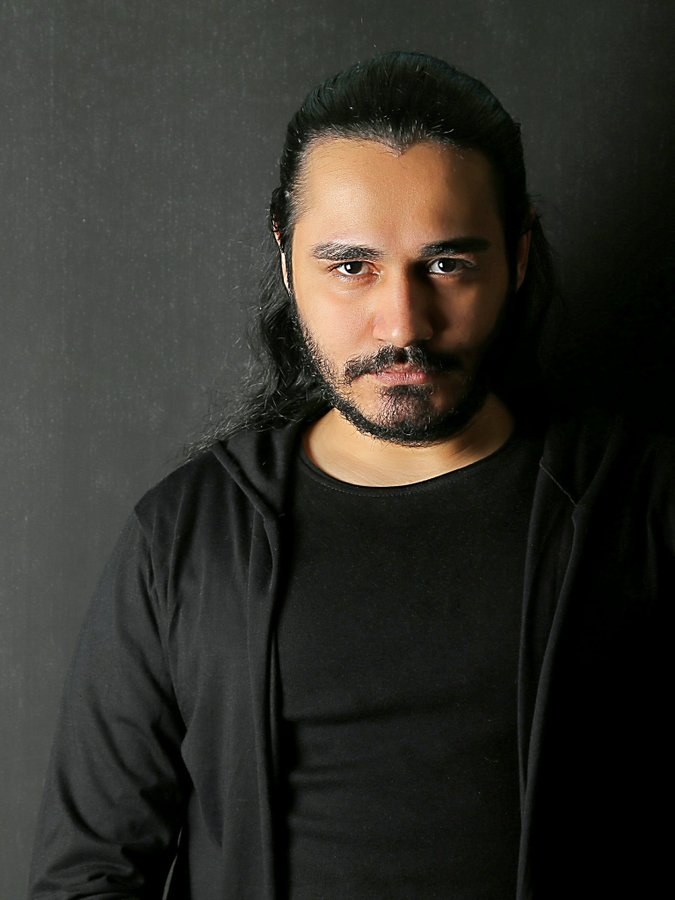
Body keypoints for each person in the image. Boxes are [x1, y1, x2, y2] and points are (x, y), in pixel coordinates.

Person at [29, 52, 671, 899]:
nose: (401, 324)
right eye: (350, 266)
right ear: (286, 259)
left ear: (517, 255)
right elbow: (89, 877)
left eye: (446, 264)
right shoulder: (187, 536)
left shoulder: (640, 504)